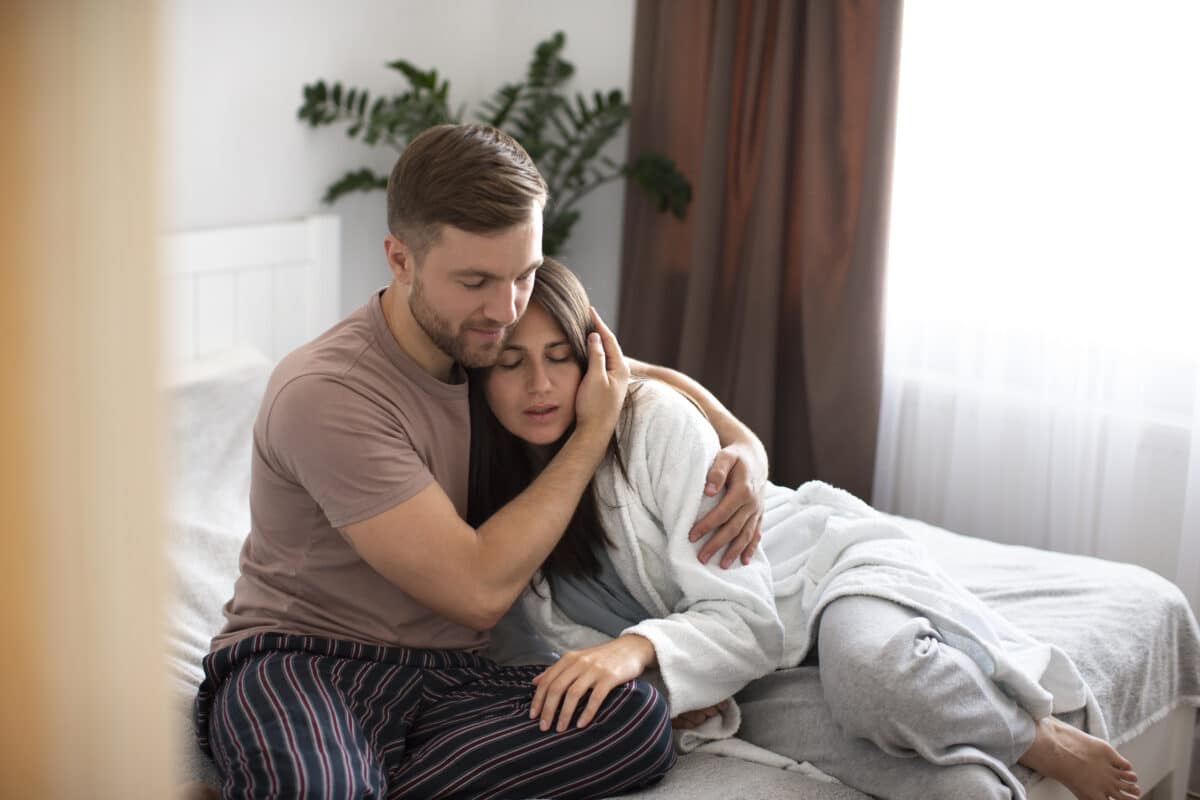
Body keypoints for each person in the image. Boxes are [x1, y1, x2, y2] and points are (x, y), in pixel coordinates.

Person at [193, 124, 770, 799]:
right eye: (476, 280)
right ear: (400, 259)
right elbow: (477, 592)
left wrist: (744, 443)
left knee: (632, 717)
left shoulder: (482, 345)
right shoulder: (329, 394)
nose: (506, 309)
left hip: (454, 677)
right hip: (309, 661)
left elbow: (618, 372)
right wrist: (590, 436)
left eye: (524, 275)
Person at [472, 259, 1143, 800]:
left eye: (560, 356)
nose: (540, 384)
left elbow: (744, 616)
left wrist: (637, 651)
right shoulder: (490, 504)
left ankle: (1036, 736)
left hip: (811, 587)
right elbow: (537, 653)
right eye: (510, 363)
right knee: (960, 788)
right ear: (479, 374)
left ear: (593, 359)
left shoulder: (651, 424)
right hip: (741, 677)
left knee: (873, 678)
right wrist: (661, 687)